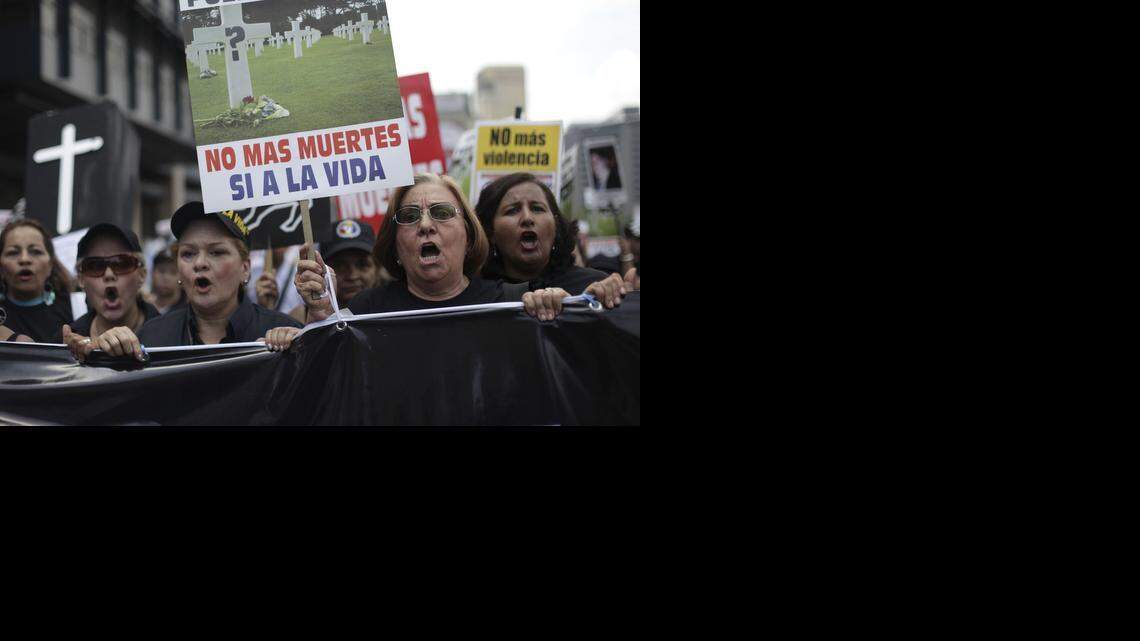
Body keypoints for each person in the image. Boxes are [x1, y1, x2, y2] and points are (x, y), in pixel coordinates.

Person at [291, 173, 570, 330]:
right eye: (410, 216)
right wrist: (323, 316)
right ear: (396, 245)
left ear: (469, 236)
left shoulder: (512, 304)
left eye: (442, 212)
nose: (425, 225)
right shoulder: (366, 312)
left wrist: (565, 310)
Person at [68, 203, 302, 361]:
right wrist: (104, 353)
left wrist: (302, 348)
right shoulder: (152, 336)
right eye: (188, 253)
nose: (199, 263)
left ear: (245, 268)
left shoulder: (283, 332)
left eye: (216, 252)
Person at [475, 173, 629, 308]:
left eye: (537, 208)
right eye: (512, 210)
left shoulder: (593, 286)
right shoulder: (477, 298)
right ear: (490, 232)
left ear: (555, 226)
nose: (527, 218)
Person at [62, 224, 160, 344]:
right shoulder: (66, 343)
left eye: (122, 263)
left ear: (142, 275)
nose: (109, 274)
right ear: (81, 279)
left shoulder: (172, 336)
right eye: (95, 266)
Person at [286, 219, 382, 324]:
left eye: (362, 265)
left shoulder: (394, 309)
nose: (352, 276)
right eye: (340, 266)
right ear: (320, 270)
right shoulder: (300, 318)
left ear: (377, 269)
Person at [0, 218, 75, 343]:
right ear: (1, 266)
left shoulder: (75, 309)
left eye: (35, 252)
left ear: (51, 264)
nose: (24, 259)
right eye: (13, 253)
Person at [151, 247, 186, 314]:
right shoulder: (143, 309)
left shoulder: (189, 312)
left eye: (173, 272)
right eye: (161, 271)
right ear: (152, 273)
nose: (166, 278)